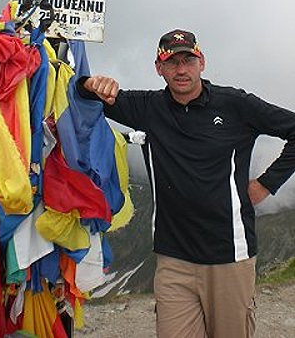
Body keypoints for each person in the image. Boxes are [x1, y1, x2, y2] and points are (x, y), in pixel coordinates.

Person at [76, 29, 295, 338]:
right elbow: (85, 95)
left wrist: (265, 185)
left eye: (188, 60)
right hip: (173, 261)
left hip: (229, 257)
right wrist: (88, 83)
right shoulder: (148, 108)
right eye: (172, 62)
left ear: (201, 62)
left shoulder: (236, 104)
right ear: (159, 68)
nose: (181, 69)